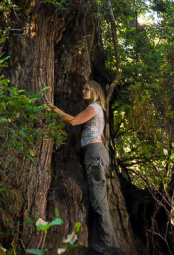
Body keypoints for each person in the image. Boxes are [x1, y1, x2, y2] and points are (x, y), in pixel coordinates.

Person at [49, 81, 122, 255]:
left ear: (95, 91)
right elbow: (102, 136)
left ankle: (108, 243)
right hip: (97, 152)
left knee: (98, 199)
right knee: (99, 198)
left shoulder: (94, 107)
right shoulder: (99, 112)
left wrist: (52, 108)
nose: (83, 91)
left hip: (95, 153)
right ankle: (115, 248)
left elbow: (73, 121)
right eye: (83, 88)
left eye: (87, 89)